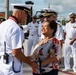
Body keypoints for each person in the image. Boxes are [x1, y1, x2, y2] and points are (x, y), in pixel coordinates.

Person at [0, 4, 38, 75]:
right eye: (26, 15)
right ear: (20, 13)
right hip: (13, 67)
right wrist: (30, 63)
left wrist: (26, 57)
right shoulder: (16, 28)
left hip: (3, 65)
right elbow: (16, 52)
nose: (26, 18)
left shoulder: (2, 24)